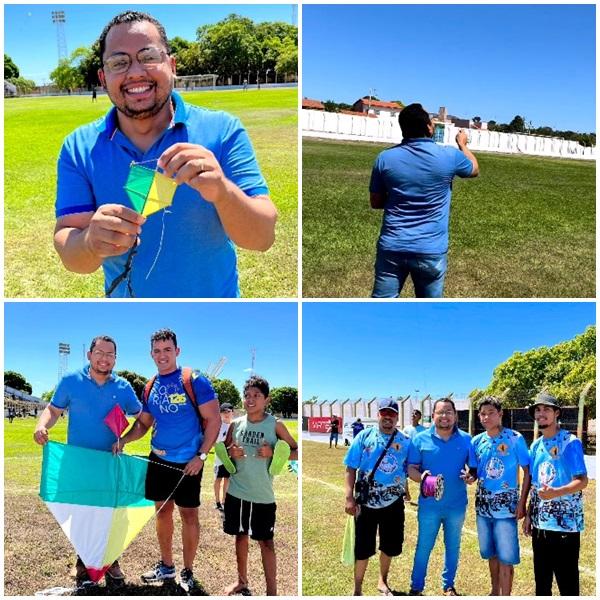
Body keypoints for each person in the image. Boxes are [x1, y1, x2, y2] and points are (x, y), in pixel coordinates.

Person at [54, 11, 276, 298]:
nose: (135, 72)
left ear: (171, 65)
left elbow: (262, 238)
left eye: (148, 56)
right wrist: (88, 242)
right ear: (103, 76)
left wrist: (223, 192)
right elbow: (69, 248)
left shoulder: (222, 130)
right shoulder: (78, 148)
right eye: (119, 62)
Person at [113, 328, 221, 592]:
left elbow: (214, 420)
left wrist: (201, 456)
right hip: (158, 460)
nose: (162, 355)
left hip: (189, 463)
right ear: (151, 354)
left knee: (189, 516)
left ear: (177, 351)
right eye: (157, 351)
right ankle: (167, 565)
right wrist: (124, 440)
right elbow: (144, 424)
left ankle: (188, 571)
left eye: (167, 350)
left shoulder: (194, 380)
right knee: (162, 514)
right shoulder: (150, 386)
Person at [33, 335, 141, 587]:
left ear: (116, 358)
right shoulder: (71, 380)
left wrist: (124, 440)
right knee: (81, 514)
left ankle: (112, 562)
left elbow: (142, 418)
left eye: (110, 354)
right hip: (78, 463)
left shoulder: (123, 387)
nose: (105, 359)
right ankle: (82, 561)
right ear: (89, 355)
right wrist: (41, 425)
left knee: (112, 515)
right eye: (100, 353)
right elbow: (53, 410)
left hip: (110, 463)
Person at [369, 103, 479, 298]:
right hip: (430, 249)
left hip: (393, 245)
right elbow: (474, 169)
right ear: (429, 128)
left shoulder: (385, 158)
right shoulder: (449, 155)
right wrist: (463, 144)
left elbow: (376, 202)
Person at [222, 376, 298, 595]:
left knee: (266, 543)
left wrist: (273, 452)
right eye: (247, 395)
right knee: (240, 536)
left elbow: (295, 452)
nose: (251, 399)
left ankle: (271, 592)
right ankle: (242, 581)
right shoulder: (236, 424)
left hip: (263, 495)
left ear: (267, 399)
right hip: (236, 492)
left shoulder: (275, 425)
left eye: (256, 395)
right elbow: (225, 453)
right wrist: (230, 452)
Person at [407, 397, 475, 596]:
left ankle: (448, 585)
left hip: (456, 505)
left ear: (455, 415)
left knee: (453, 547)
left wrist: (471, 476)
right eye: (440, 412)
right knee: (424, 547)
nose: (444, 416)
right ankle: (417, 586)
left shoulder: (467, 439)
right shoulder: (420, 439)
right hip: (429, 506)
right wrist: (422, 477)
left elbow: (473, 469)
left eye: (448, 412)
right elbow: (411, 468)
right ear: (433, 416)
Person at [522, 392, 588, 596]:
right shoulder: (535, 445)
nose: (541, 414)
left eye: (546, 409)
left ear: (556, 413)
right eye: (537, 410)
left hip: (565, 527)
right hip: (541, 525)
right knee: (542, 582)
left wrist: (556, 493)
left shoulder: (570, 442)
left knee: (567, 583)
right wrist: (529, 515)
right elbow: (535, 484)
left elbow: (582, 480)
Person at [343, 398, 409, 596]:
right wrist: (348, 497)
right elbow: (350, 468)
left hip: (393, 503)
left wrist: (411, 486)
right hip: (366, 503)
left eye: (392, 413)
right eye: (384, 413)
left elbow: (408, 468)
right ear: (378, 414)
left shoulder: (405, 442)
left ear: (397, 417)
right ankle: (357, 588)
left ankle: (382, 581)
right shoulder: (364, 436)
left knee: (389, 545)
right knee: (363, 548)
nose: (387, 417)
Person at [470, 397, 530, 596]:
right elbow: (475, 471)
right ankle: (494, 592)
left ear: (500, 413)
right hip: (483, 509)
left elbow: (527, 471)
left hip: (507, 510)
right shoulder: (476, 441)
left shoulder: (515, 438)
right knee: (491, 554)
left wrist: (522, 503)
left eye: (491, 412)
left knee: (506, 557)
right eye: (483, 413)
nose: (486, 417)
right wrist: (469, 477)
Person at [214, 402, 234, 513]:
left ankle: (224, 501)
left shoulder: (234, 425)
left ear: (232, 413)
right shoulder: (218, 426)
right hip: (219, 460)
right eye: (223, 412)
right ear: (220, 414)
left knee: (227, 480)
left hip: (230, 459)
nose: (226, 414)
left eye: (228, 411)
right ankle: (217, 502)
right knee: (218, 480)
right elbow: (214, 441)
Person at [403, 409, 427, 503]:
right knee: (403, 475)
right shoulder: (406, 429)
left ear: (419, 417)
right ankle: (407, 494)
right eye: (412, 413)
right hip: (407, 456)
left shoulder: (423, 430)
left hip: (419, 457)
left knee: (422, 476)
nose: (413, 415)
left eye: (416, 414)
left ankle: (424, 494)